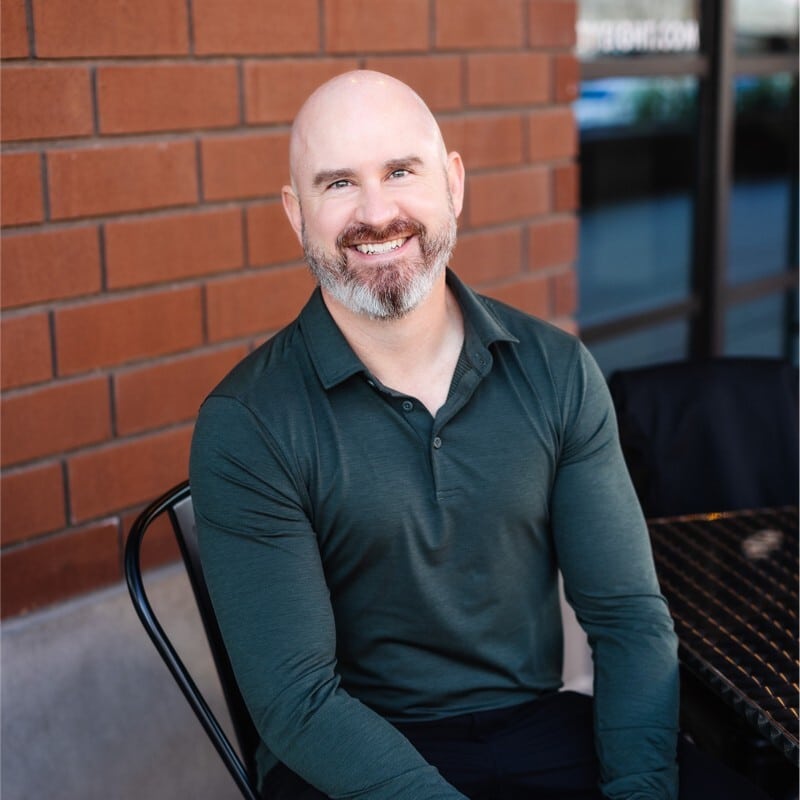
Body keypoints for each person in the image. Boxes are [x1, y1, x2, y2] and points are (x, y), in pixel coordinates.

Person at [189, 71, 768, 800]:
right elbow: (297, 702)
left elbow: (628, 619)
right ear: (296, 213)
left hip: (540, 730)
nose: (376, 212)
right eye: (338, 184)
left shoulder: (557, 371)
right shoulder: (247, 423)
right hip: (352, 760)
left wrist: (640, 788)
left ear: (453, 185)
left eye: (401, 171)